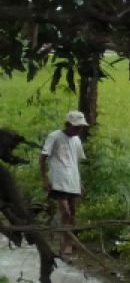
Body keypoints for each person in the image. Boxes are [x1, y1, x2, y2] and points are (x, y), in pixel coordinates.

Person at [40, 110, 88, 257]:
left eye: (81, 127)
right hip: (59, 180)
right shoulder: (55, 136)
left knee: (72, 212)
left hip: (72, 180)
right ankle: (66, 243)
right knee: (65, 211)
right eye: (76, 127)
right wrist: (45, 179)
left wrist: (79, 182)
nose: (79, 130)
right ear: (67, 124)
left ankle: (68, 239)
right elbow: (42, 158)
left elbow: (75, 162)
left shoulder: (77, 140)